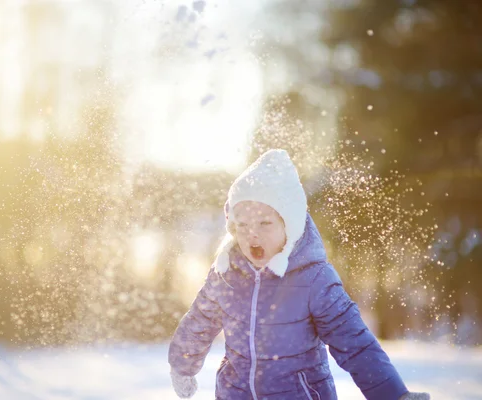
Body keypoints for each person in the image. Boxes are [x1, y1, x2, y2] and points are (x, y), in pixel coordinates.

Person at [168, 149, 430, 400]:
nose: (252, 233)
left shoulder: (314, 278)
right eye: (243, 224)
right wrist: (182, 364)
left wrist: (393, 394)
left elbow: (354, 342)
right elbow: (199, 322)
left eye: (264, 223)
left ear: (290, 225)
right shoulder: (226, 273)